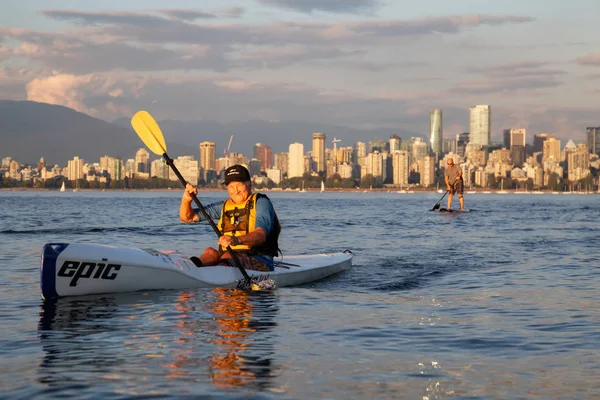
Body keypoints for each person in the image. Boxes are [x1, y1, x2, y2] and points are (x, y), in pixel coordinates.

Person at [180, 165, 281, 271]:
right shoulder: (223, 206)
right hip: (229, 257)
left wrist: (236, 240)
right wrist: (186, 200)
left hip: (259, 260)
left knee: (227, 256)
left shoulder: (261, 203)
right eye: (231, 187)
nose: (235, 191)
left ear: (249, 184)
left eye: (239, 185)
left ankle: (217, 276)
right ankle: (192, 268)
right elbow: (187, 218)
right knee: (210, 252)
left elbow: (260, 235)